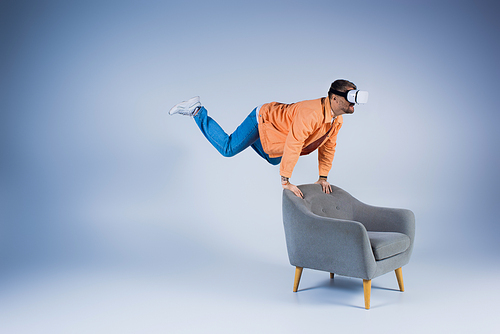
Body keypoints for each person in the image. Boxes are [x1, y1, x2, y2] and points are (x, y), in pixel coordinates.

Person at [169, 79, 365, 198]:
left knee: (273, 158)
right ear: (335, 98)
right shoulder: (310, 114)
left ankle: (250, 138)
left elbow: (328, 147)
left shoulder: (335, 119)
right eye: (350, 98)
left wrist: (323, 177)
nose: (353, 104)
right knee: (228, 148)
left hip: (276, 131)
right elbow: (295, 142)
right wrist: (286, 181)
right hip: (263, 118)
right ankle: (196, 110)